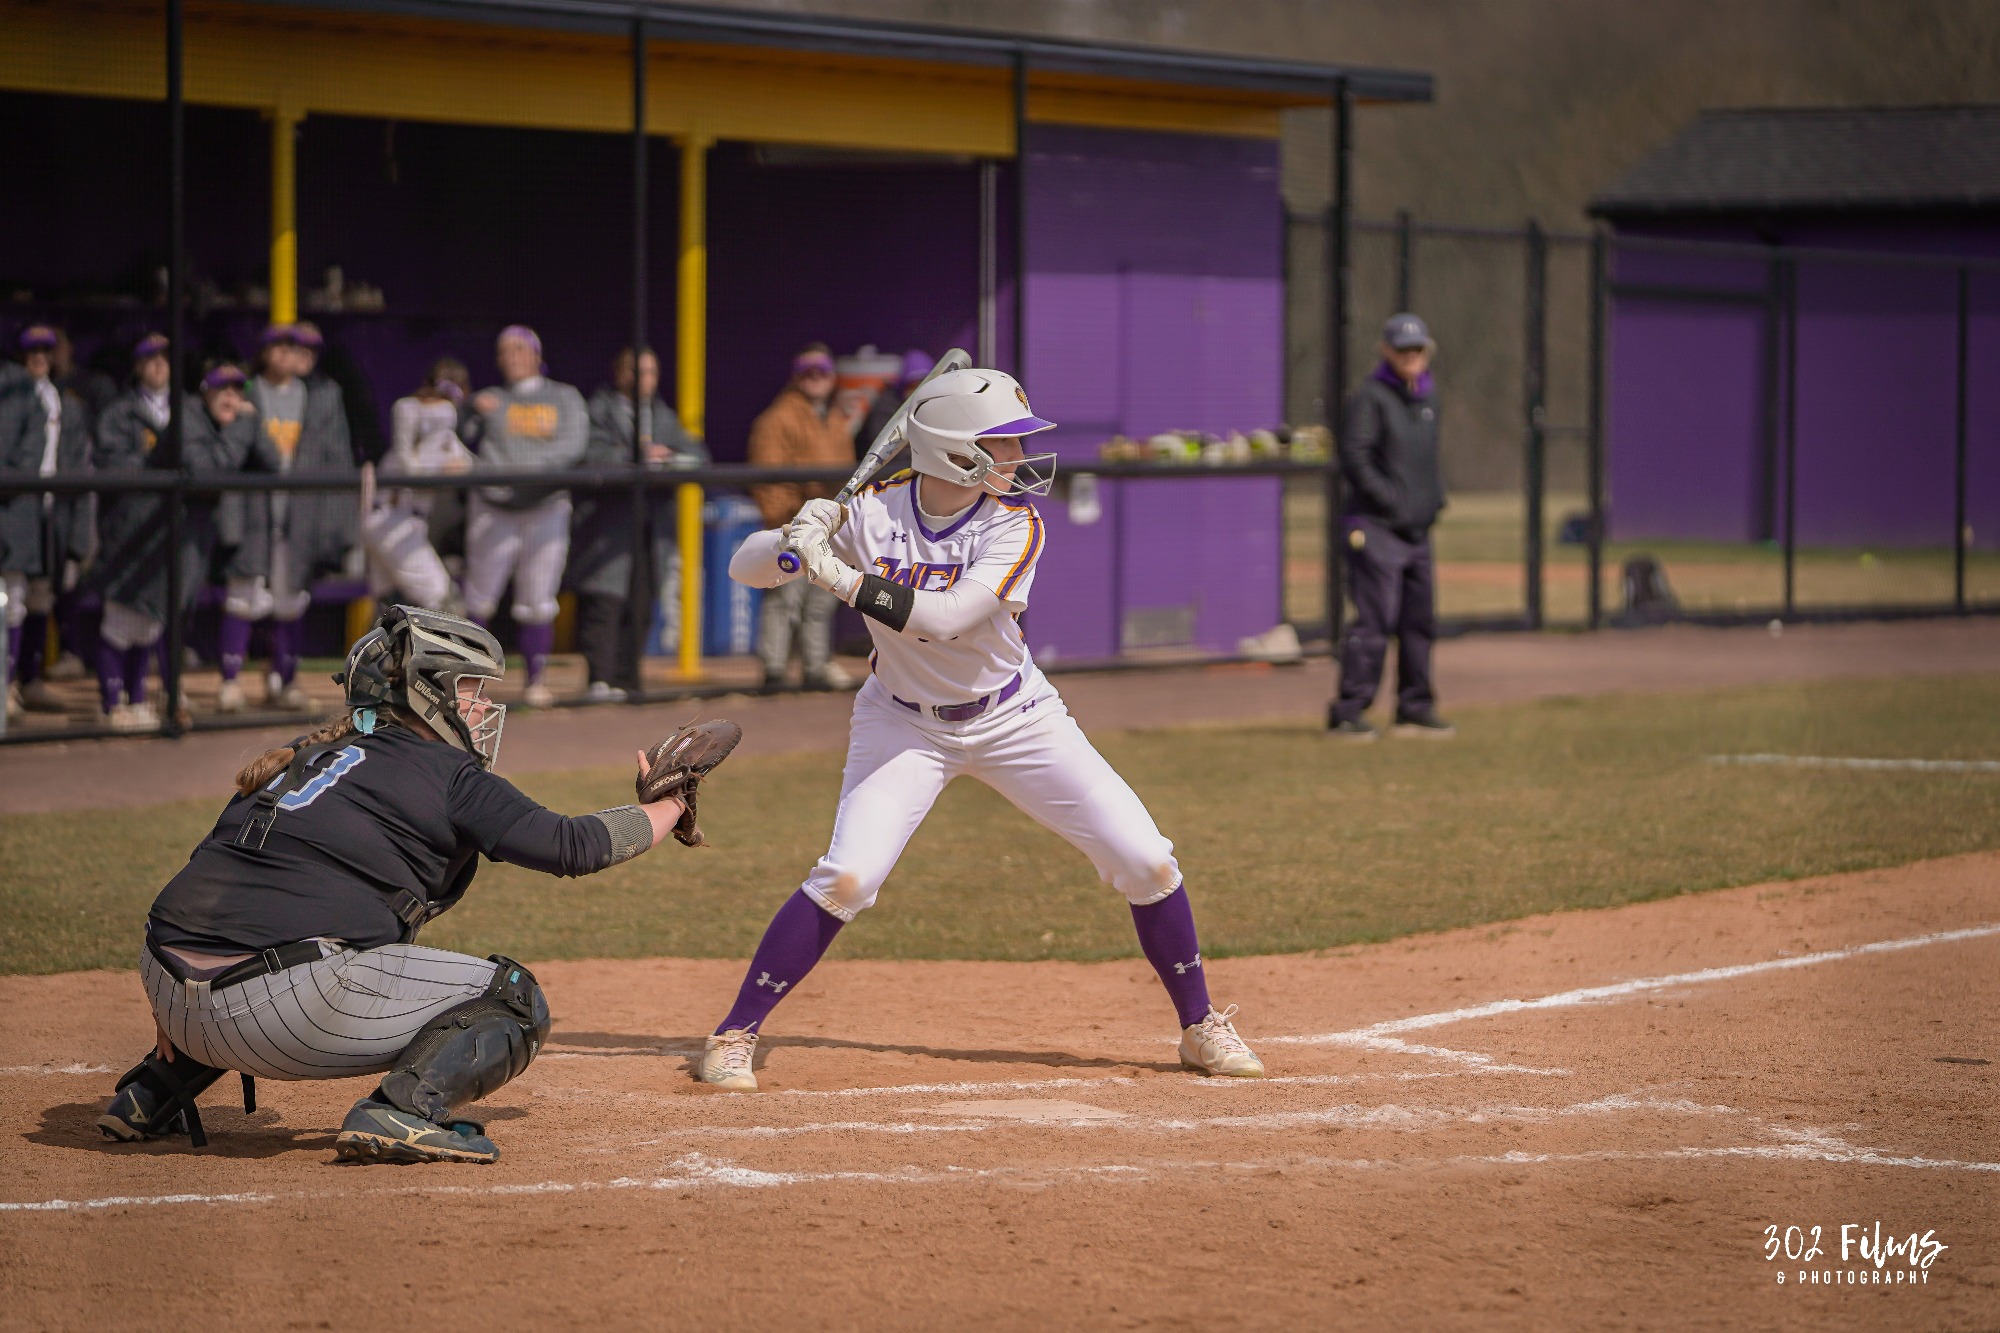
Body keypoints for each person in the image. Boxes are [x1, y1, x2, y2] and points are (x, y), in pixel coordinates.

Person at [698, 365, 1264, 1091]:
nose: (1018, 460)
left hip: (1016, 716)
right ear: (951, 450)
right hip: (901, 724)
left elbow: (944, 619)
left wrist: (835, 576)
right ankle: (734, 1032)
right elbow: (749, 571)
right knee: (847, 876)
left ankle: (1200, 1024)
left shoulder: (1013, 523)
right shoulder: (871, 511)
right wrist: (795, 537)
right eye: (1002, 445)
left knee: (1147, 858)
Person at [95, 604, 741, 1164]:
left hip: (166, 982)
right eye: (467, 689)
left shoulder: (304, 755)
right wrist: (672, 805)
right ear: (423, 692)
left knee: (284, 929)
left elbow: (209, 872)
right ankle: (402, 1109)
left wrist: (172, 1018)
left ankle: (152, 1091)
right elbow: (571, 845)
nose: (481, 705)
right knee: (515, 999)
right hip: (277, 1009)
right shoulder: (447, 770)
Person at [216, 322, 356, 713]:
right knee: (242, 596)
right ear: (263, 352)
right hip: (254, 510)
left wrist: (337, 525)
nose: (285, 353)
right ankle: (229, 684)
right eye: (277, 346)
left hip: (299, 515)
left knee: (291, 600)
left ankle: (284, 679)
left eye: (291, 347)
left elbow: (334, 458)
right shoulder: (246, 391)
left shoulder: (317, 396)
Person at [1330, 312, 1453, 740]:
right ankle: (1348, 713)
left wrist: (1433, 498)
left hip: (1417, 530)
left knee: (1419, 624)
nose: (1410, 356)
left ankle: (1415, 708)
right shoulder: (1370, 398)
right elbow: (1356, 458)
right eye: (1402, 349)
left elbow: (1426, 460)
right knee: (1373, 622)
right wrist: (1393, 501)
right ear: (1386, 351)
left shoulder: (1429, 398)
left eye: (1417, 349)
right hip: (1376, 527)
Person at [568, 346, 707, 702]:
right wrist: (635, 458)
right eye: (636, 371)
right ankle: (600, 679)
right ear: (620, 373)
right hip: (608, 528)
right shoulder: (598, 410)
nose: (643, 379)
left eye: (650, 372)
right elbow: (586, 457)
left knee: (641, 604)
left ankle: (630, 681)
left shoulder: (661, 415)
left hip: (652, 528)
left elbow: (698, 457)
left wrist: (668, 458)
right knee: (605, 603)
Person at [463, 325, 589, 709]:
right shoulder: (491, 399)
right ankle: (470, 688)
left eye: (519, 349)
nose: (512, 356)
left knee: (538, 597)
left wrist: (523, 471)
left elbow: (573, 447)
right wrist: (469, 409)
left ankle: (536, 681)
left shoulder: (564, 397)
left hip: (545, 504)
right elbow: (461, 444)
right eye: (505, 351)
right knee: (479, 598)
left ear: (536, 353)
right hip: (494, 507)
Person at [747, 343, 858, 692]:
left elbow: (845, 476)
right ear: (795, 377)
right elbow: (768, 479)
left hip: (828, 525)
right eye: (807, 372)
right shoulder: (777, 417)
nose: (816, 378)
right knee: (785, 599)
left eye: (822, 371)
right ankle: (774, 672)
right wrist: (788, 524)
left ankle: (814, 668)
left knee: (822, 600)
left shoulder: (835, 417)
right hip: (791, 524)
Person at [0, 325, 94, 718]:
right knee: (12, 598)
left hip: (52, 511)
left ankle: (30, 680)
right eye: (31, 350)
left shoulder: (66, 402)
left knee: (42, 598)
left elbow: (77, 466)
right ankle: (5, 688)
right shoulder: (11, 391)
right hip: (16, 508)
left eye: (46, 349)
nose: (39, 356)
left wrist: (76, 535)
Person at [88, 334, 175, 729]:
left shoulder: (182, 408)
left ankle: (137, 698)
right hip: (126, 526)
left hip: (164, 527)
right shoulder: (119, 411)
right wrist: (152, 466)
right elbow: (109, 463)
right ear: (137, 366)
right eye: (149, 359)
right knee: (120, 620)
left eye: (164, 358)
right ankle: (111, 702)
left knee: (149, 621)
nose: (158, 365)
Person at [364, 357, 474, 613]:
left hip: (409, 523)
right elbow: (409, 467)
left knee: (389, 604)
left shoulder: (446, 432)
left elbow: (470, 463)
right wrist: (441, 471)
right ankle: (450, 654)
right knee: (444, 600)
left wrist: (459, 467)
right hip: (389, 518)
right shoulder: (409, 409)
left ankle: (382, 653)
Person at [854, 348, 934, 448]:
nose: (917, 392)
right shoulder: (885, 407)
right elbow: (887, 449)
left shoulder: (938, 405)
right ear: (902, 387)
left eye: (923, 385)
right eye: (912, 386)